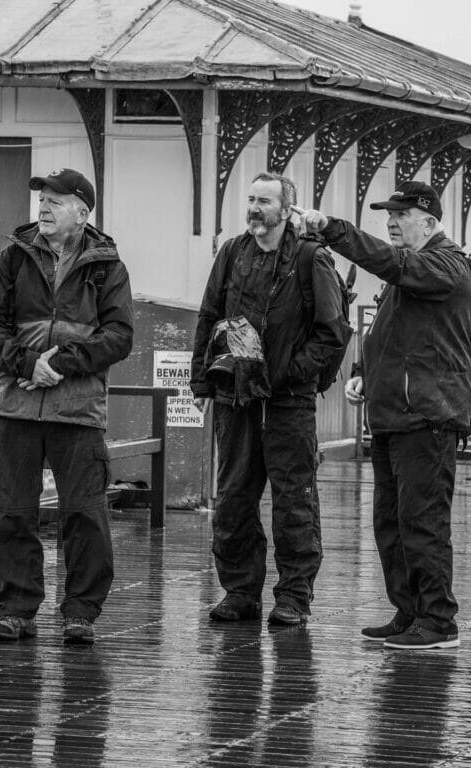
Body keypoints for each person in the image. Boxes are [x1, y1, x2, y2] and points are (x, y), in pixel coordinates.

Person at [295, 181, 471, 650]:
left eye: (401, 215)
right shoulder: (414, 272)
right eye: (388, 215)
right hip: (395, 416)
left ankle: (438, 621)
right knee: (392, 524)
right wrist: (362, 371)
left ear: (430, 221)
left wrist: (333, 229)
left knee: (422, 523)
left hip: (429, 416)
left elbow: (392, 263)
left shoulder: (445, 265)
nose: (393, 222)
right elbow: (391, 330)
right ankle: (410, 610)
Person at [0, 168, 133, 645]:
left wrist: (62, 364)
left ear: (83, 212)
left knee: (85, 514)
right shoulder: (11, 259)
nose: (43, 207)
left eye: (56, 200)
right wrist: (27, 364)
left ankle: (81, 612)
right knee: (11, 513)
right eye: (42, 199)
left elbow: (120, 336)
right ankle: (15, 610)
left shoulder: (108, 268)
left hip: (77, 409)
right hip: (15, 407)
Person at [190, 171, 345, 626]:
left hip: (288, 402)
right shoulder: (232, 253)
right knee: (234, 496)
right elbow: (208, 314)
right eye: (251, 199)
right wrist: (202, 383)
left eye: (265, 201)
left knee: (293, 500)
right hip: (235, 396)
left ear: (286, 209)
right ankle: (240, 591)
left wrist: (289, 373)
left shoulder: (310, 258)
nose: (255, 208)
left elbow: (331, 334)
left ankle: (294, 596)